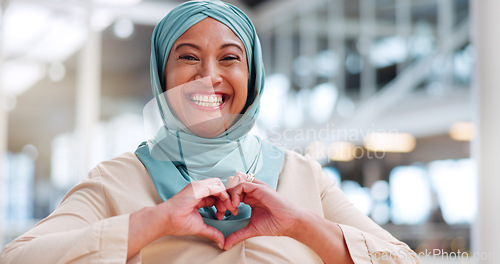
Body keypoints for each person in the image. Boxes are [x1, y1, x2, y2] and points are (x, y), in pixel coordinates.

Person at [0, 1, 421, 263]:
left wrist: (300, 224)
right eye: (187, 57)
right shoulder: (116, 180)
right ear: (162, 76)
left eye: (229, 58)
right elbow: (18, 257)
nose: (208, 76)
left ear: (252, 77)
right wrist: (154, 221)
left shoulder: (303, 176)